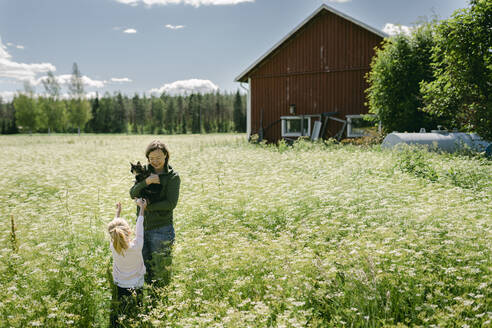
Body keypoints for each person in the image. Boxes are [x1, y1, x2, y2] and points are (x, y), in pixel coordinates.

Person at [130, 140, 180, 285]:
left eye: (158, 158)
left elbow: (170, 204)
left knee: (161, 272)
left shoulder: (172, 177)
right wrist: (147, 182)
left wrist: (146, 207)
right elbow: (132, 193)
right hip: (141, 229)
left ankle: (162, 303)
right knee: (144, 269)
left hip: (162, 229)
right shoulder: (144, 171)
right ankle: (150, 302)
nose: (155, 161)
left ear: (166, 156)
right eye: (151, 158)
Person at [107, 199, 146, 326]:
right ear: (129, 232)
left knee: (121, 308)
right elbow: (139, 227)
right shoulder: (137, 245)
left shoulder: (113, 246)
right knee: (138, 309)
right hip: (137, 284)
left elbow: (115, 230)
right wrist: (142, 208)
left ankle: (117, 323)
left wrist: (117, 213)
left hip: (120, 283)